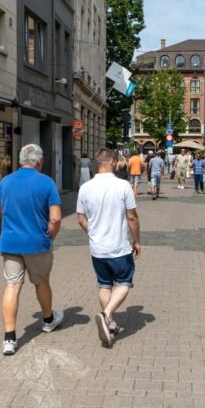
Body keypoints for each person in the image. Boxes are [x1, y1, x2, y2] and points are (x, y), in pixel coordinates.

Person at [0, 144, 64, 356]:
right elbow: (55, 217)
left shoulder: (5, 182)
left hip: (10, 243)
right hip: (36, 243)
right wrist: (49, 236)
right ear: (39, 161)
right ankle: (47, 319)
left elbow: (0, 212)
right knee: (41, 283)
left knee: (12, 285)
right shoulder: (46, 183)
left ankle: (9, 338)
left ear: (20, 160)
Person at [77, 149, 141, 348]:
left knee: (104, 284)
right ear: (113, 162)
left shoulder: (85, 188)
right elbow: (131, 217)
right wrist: (137, 240)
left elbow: (80, 218)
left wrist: (93, 233)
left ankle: (111, 324)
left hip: (97, 248)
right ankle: (105, 315)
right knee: (124, 282)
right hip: (118, 246)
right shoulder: (123, 186)